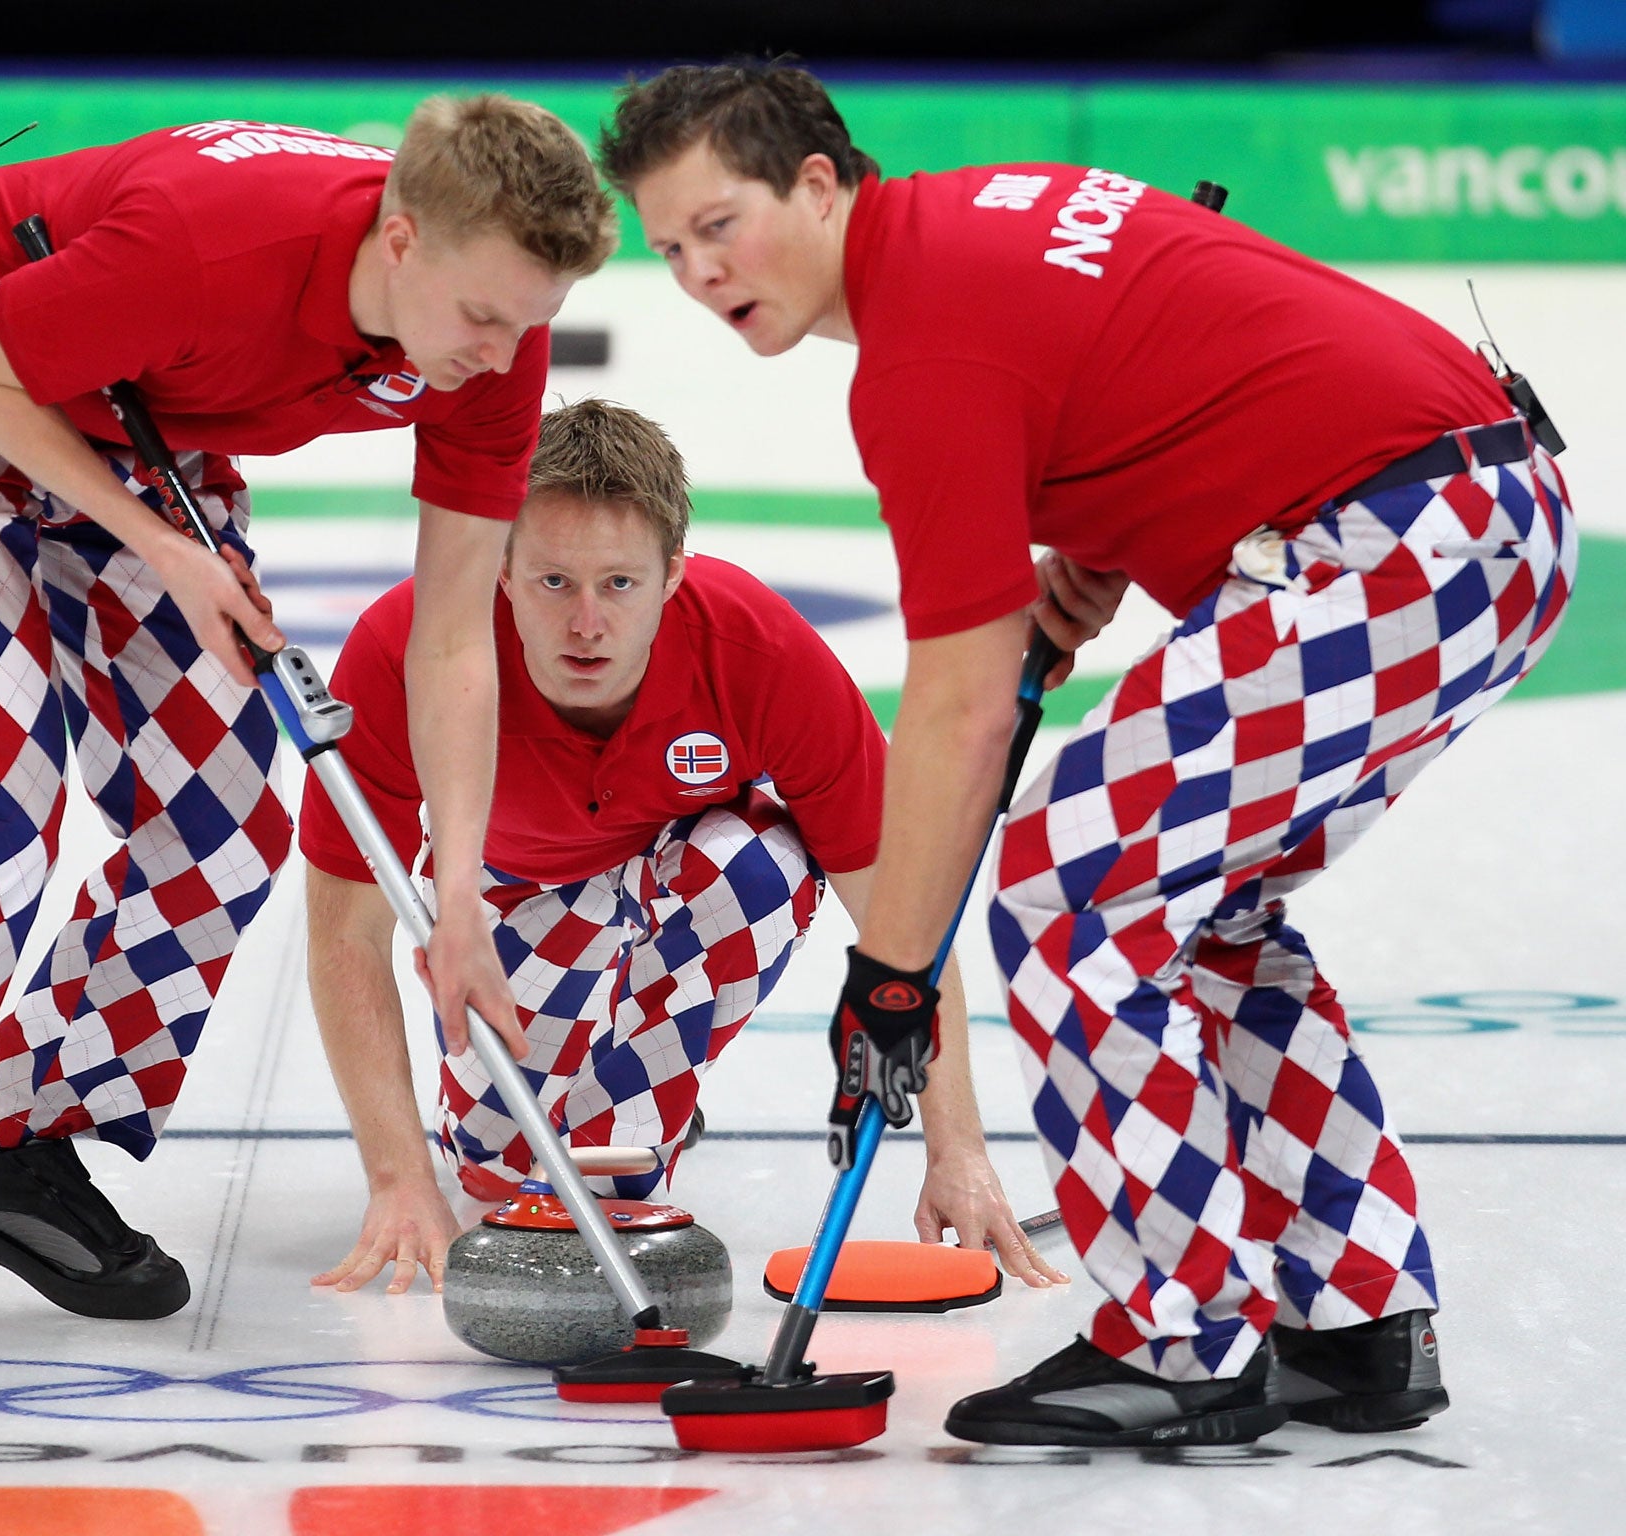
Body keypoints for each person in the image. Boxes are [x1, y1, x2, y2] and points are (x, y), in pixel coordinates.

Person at [601, 61, 1575, 1445]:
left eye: (720, 224)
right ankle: (1352, 1316)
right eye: (670, 250)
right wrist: (1104, 531)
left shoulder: (920, 350)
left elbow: (958, 705)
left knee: (1075, 885)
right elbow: (1157, 351)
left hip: (1397, 539)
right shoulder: (981, 220)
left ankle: (1176, 1338)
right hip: (1484, 514)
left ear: (818, 184)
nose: (700, 273)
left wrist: (888, 979)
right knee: (1203, 908)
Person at [0, 99, 617, 1365]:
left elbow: (452, 638)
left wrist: (457, 894)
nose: (503, 356)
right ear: (400, 241)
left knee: (221, 823)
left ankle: (10, 1146)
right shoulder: (216, 243)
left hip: (135, 411)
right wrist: (164, 548)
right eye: (483, 318)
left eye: (529, 322)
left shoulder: (496, 346)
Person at [300, 398, 1084, 1296]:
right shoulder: (408, 648)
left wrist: (959, 1150)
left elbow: (907, 917)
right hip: (509, 895)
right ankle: (549, 1133)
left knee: (756, 867)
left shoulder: (759, 650)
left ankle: (635, 1142)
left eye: (620, 584)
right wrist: (399, 1181)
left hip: (689, 870)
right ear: (503, 568)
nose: (587, 623)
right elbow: (345, 937)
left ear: (674, 574)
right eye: (555, 582)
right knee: (499, 1177)